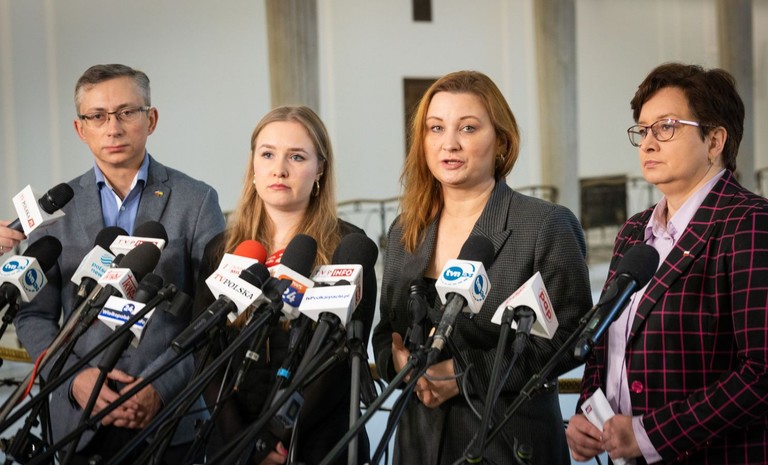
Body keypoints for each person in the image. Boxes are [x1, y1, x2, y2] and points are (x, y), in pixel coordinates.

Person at [4, 64, 226, 464]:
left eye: (126, 112)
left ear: (151, 119)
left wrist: (159, 387)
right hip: (77, 423)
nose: (113, 128)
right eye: (98, 116)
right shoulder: (55, 210)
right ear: (80, 128)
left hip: (171, 420)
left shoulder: (197, 201)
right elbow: (34, 316)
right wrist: (73, 380)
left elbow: (211, 317)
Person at [371, 70, 592, 465]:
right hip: (417, 445)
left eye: (468, 128)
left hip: (507, 444)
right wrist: (400, 364)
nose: (449, 143)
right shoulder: (405, 230)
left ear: (501, 141)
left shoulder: (544, 224)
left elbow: (570, 339)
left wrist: (464, 375)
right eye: (436, 128)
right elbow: (387, 331)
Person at [566, 62, 768, 465]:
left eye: (666, 127)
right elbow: (605, 344)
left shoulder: (749, 223)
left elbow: (761, 373)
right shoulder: (634, 231)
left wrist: (647, 435)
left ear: (715, 141)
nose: (648, 144)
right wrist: (588, 412)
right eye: (643, 130)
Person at [193, 105, 376, 465]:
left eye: (296, 156)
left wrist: (272, 436)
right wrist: (243, 440)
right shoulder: (221, 250)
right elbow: (205, 356)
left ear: (320, 169)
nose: (279, 169)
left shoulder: (347, 247)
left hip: (318, 444)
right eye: (268, 154)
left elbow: (338, 363)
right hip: (233, 444)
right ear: (253, 166)